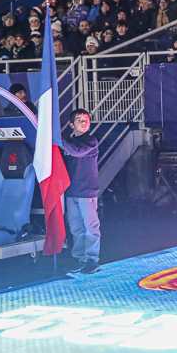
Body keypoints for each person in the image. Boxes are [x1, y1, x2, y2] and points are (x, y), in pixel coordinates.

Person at [62, 109, 101, 275]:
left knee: (90, 226)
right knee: (76, 227)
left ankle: (92, 259)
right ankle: (80, 258)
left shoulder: (91, 141)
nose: (84, 123)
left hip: (87, 191)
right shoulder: (69, 141)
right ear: (72, 125)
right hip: (71, 191)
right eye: (80, 120)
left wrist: (58, 141)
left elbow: (77, 152)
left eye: (86, 120)